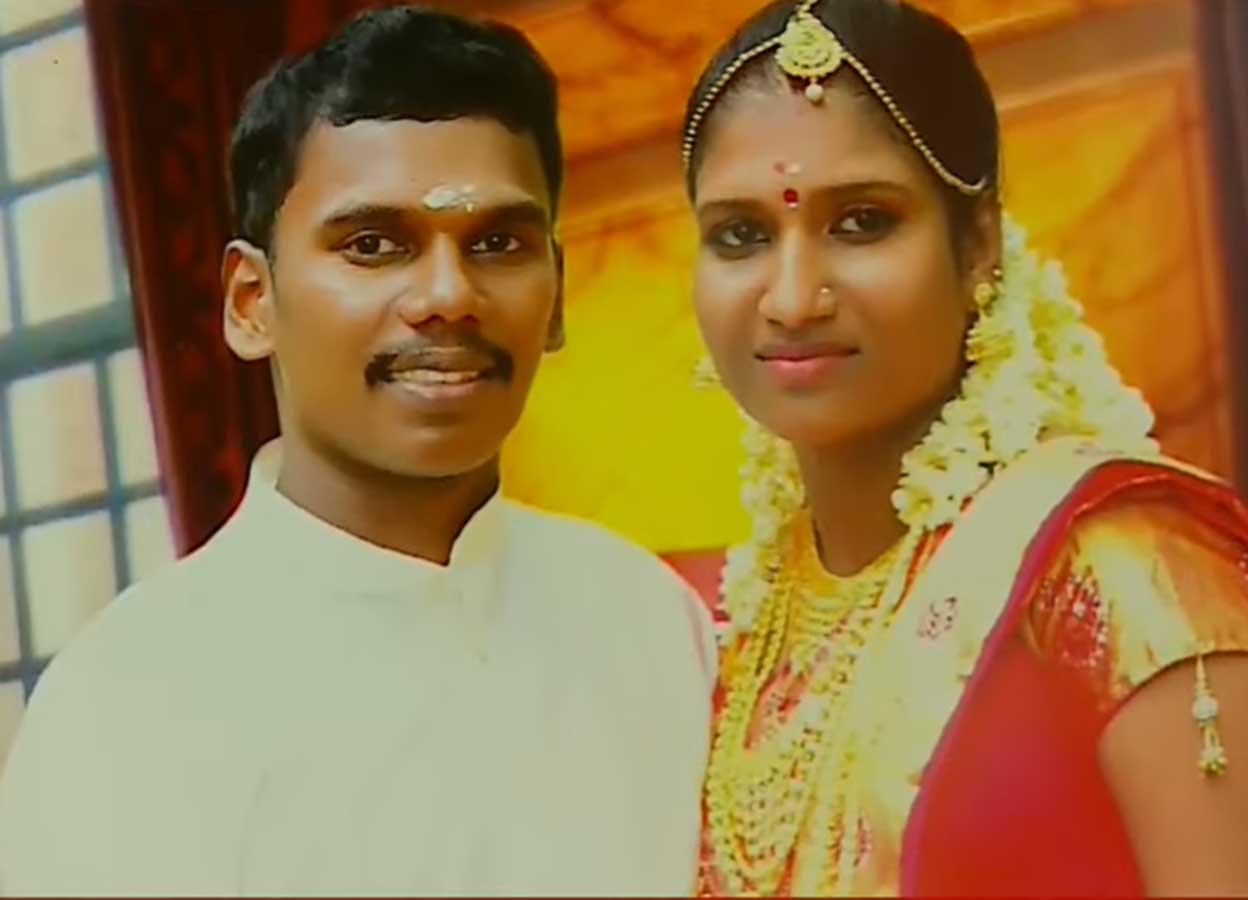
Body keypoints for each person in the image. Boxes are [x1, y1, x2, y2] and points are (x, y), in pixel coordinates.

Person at [682, 0, 1248, 895]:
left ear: (978, 246)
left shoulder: (1131, 579)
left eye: (863, 221)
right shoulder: (725, 626)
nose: (793, 297)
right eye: (741, 235)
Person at [0, 6, 713, 895]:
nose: (449, 295)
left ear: (557, 297)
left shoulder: (653, 621)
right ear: (251, 302)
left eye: (498, 243)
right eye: (374, 245)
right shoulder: (127, 703)